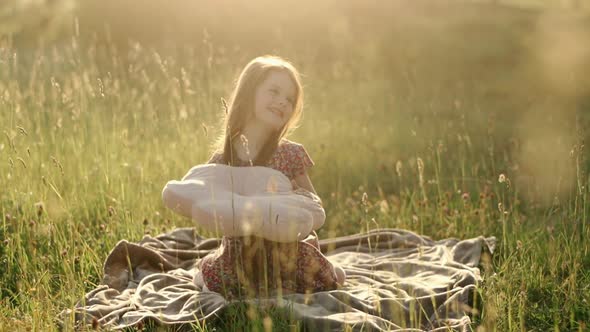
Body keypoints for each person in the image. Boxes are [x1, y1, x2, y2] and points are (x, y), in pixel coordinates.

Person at [196, 55, 346, 299]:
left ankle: (329, 267)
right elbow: (210, 205)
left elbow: (313, 204)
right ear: (249, 92)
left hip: (286, 250)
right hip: (240, 252)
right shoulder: (223, 160)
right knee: (216, 281)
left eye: (289, 99)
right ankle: (208, 267)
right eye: (274, 92)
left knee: (323, 279)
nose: (282, 102)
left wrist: (288, 204)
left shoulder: (289, 154)